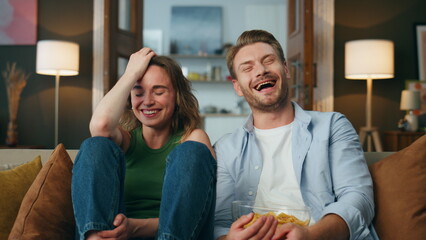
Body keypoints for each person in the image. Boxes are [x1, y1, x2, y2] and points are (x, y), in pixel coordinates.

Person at [214, 30, 378, 240]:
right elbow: (219, 222)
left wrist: (311, 236)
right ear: (237, 86)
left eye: (269, 60)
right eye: (248, 68)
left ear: (285, 69)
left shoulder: (333, 126)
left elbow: (359, 198)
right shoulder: (226, 148)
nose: (261, 71)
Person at [72, 48, 217, 240]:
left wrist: (134, 227)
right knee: (95, 146)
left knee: (191, 153)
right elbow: (101, 125)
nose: (147, 101)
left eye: (158, 91)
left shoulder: (193, 140)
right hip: (114, 235)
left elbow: (198, 212)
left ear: (177, 96)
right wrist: (130, 74)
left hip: (174, 236)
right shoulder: (125, 140)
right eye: (138, 93)